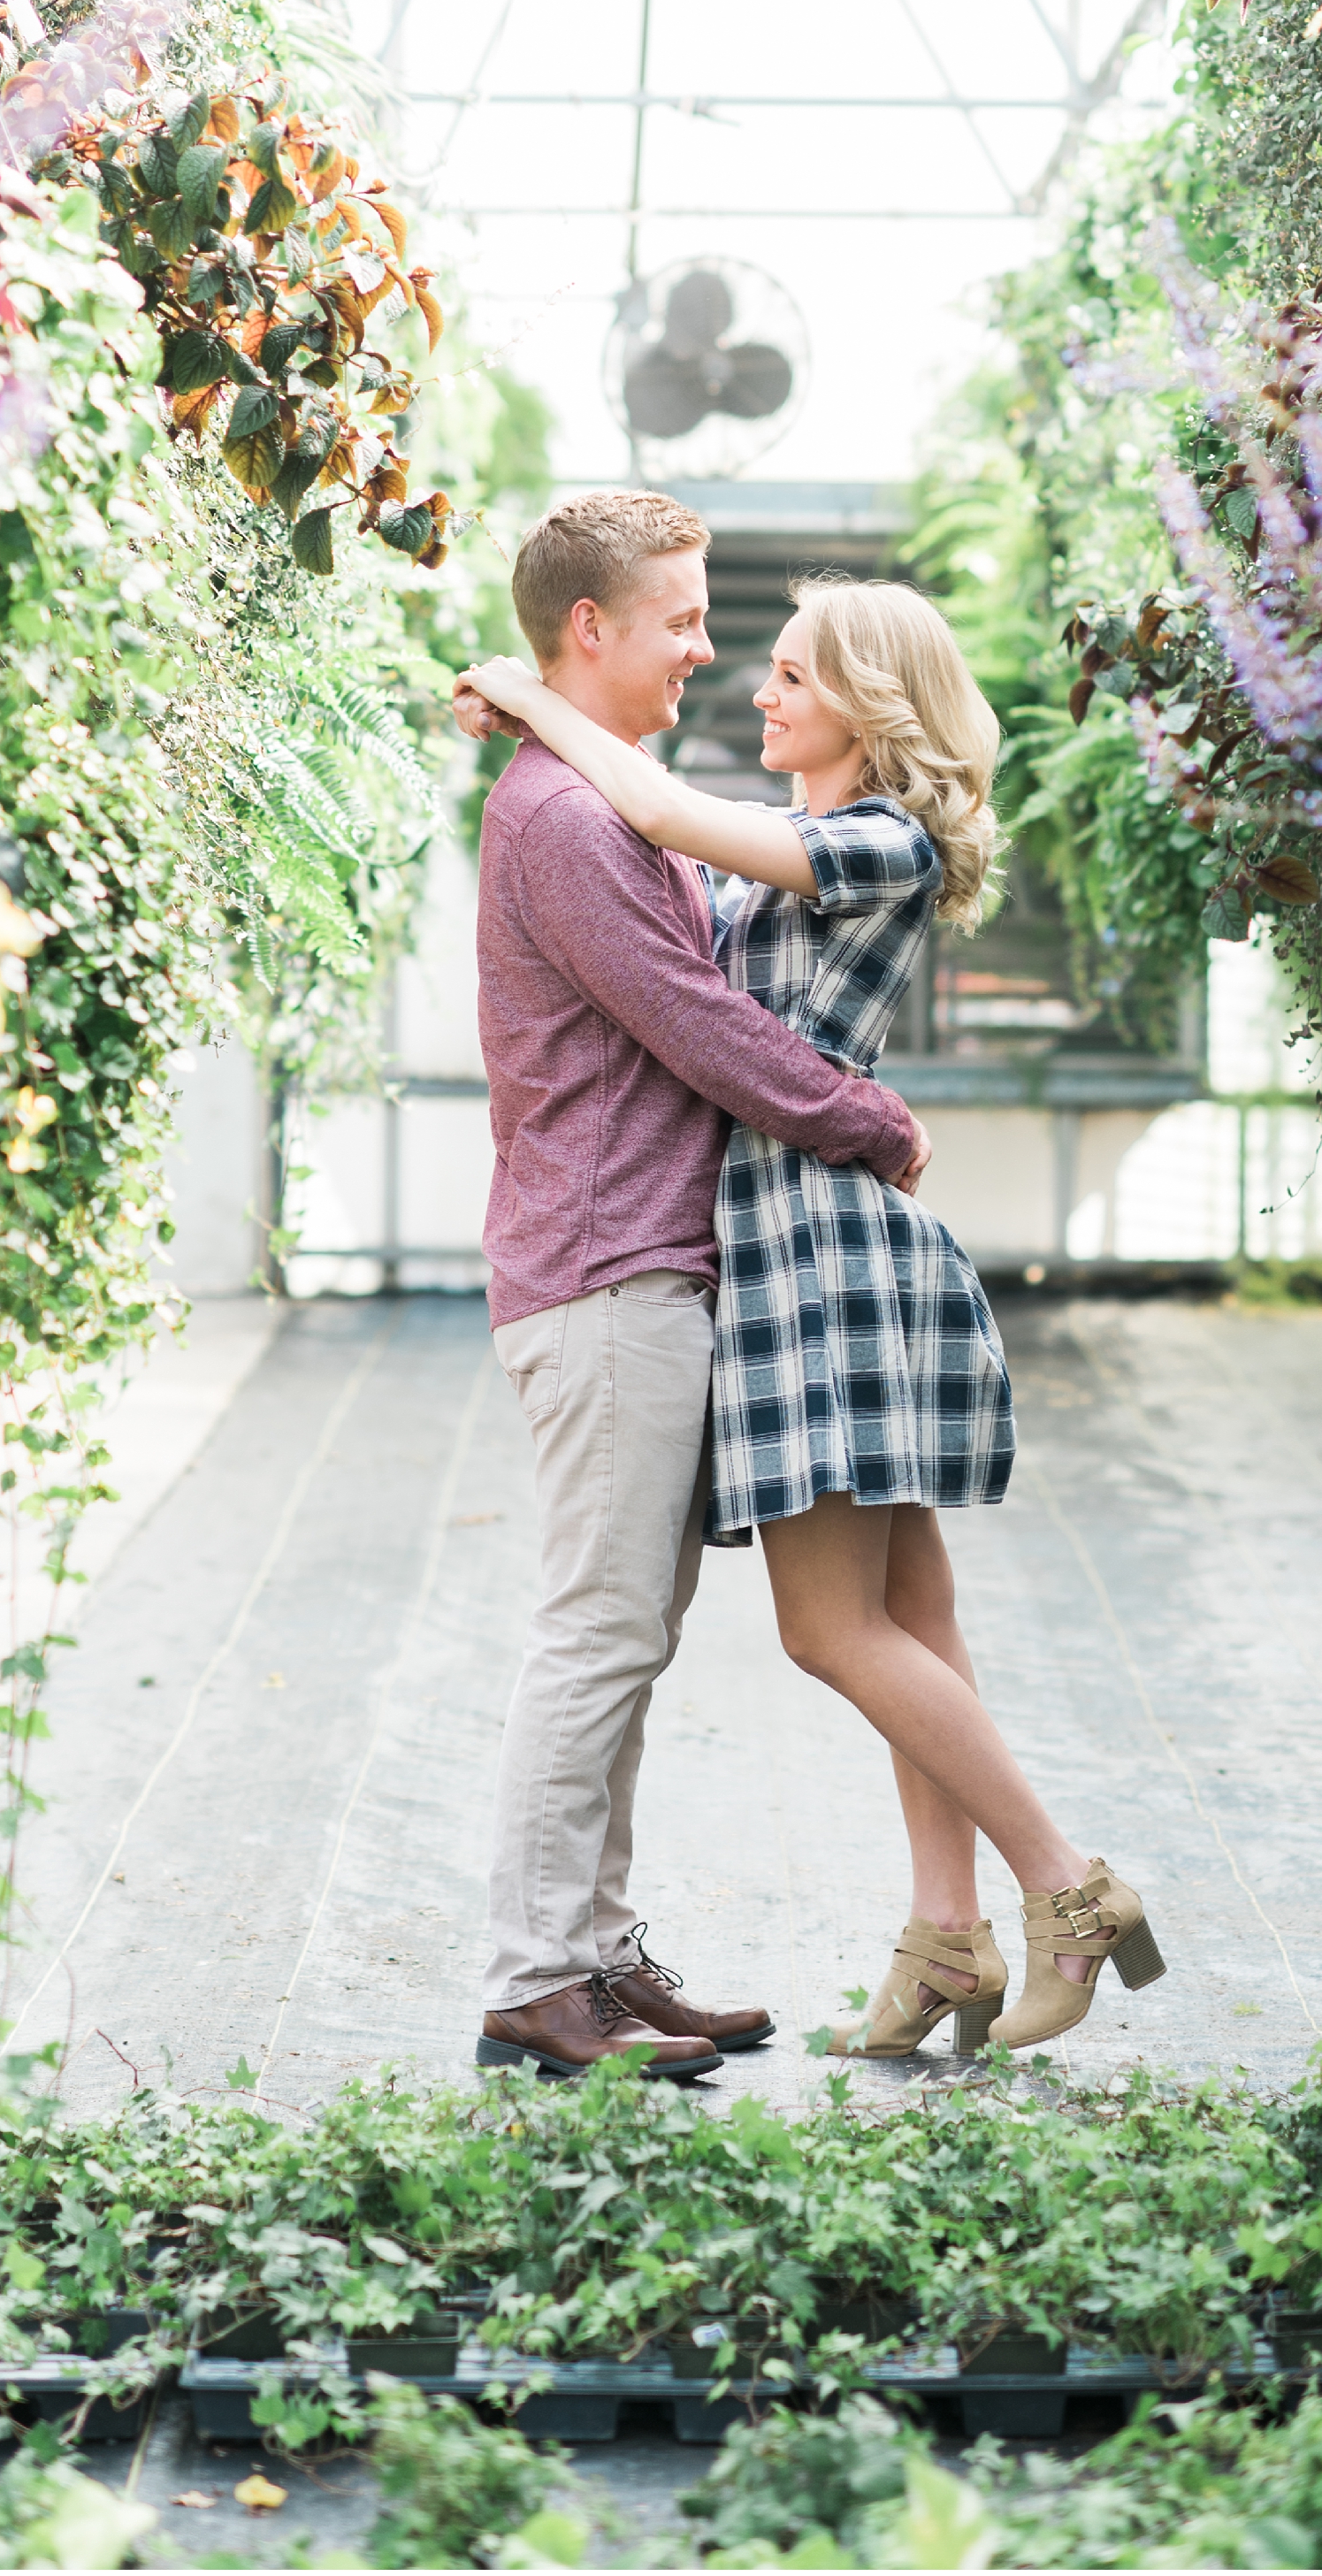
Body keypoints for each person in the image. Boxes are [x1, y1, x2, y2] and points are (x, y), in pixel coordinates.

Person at [458, 571, 1164, 2057]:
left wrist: (529, 703)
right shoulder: (805, 850)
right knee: (913, 1616)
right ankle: (945, 1938)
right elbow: (666, 856)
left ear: (867, 704)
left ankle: (1067, 1885)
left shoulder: (870, 840)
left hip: (816, 1240)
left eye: (789, 674)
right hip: (808, 1231)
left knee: (832, 1630)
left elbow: (657, 816)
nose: (755, 690)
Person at [462, 492, 928, 2083]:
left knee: (626, 1633)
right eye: (679, 618)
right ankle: (538, 1978)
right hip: (606, 1275)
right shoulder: (566, 823)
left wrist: (520, 701)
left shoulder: (592, 802)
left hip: (631, 1271)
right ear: (589, 629)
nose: (705, 649)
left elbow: (710, 853)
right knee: (599, 1633)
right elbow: (705, 1027)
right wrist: (870, 1118)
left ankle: (591, 1957)